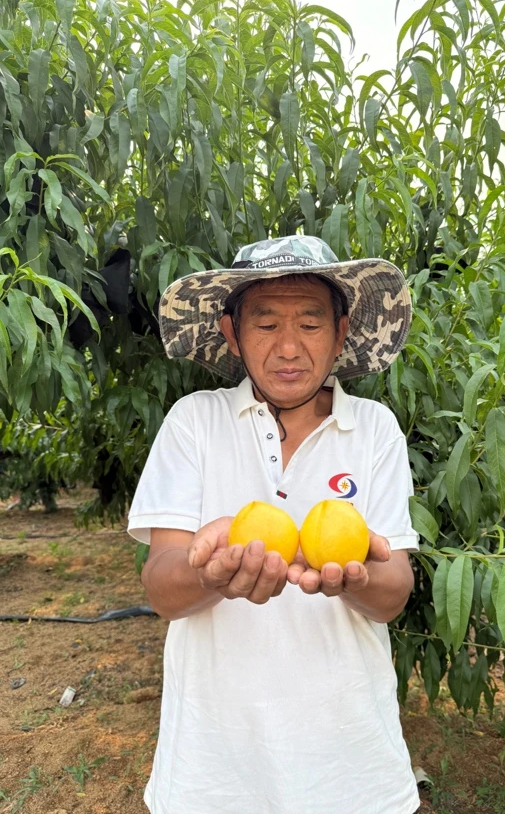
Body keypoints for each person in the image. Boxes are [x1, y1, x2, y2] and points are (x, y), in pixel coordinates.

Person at [128, 235, 421, 814]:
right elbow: (161, 588)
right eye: (265, 324)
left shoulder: (374, 430)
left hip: (351, 769)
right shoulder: (195, 423)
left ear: (341, 332)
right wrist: (208, 574)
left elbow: (394, 593)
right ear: (232, 333)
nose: (289, 347)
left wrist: (357, 578)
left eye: (310, 323)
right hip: (214, 773)